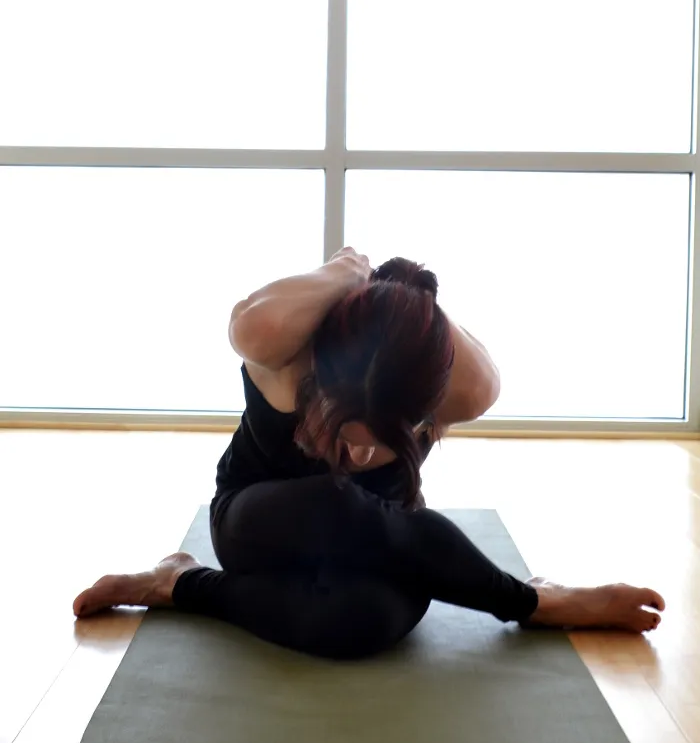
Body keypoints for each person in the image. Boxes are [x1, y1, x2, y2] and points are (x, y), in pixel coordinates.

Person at [73, 248, 665, 658]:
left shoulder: (460, 388)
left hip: (379, 548)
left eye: (381, 437)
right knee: (336, 497)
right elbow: (256, 320)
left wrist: (412, 301)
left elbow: (469, 370)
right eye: (340, 423)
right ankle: (535, 603)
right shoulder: (289, 356)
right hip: (257, 529)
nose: (356, 453)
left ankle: (176, 583)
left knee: (366, 624)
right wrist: (346, 273)